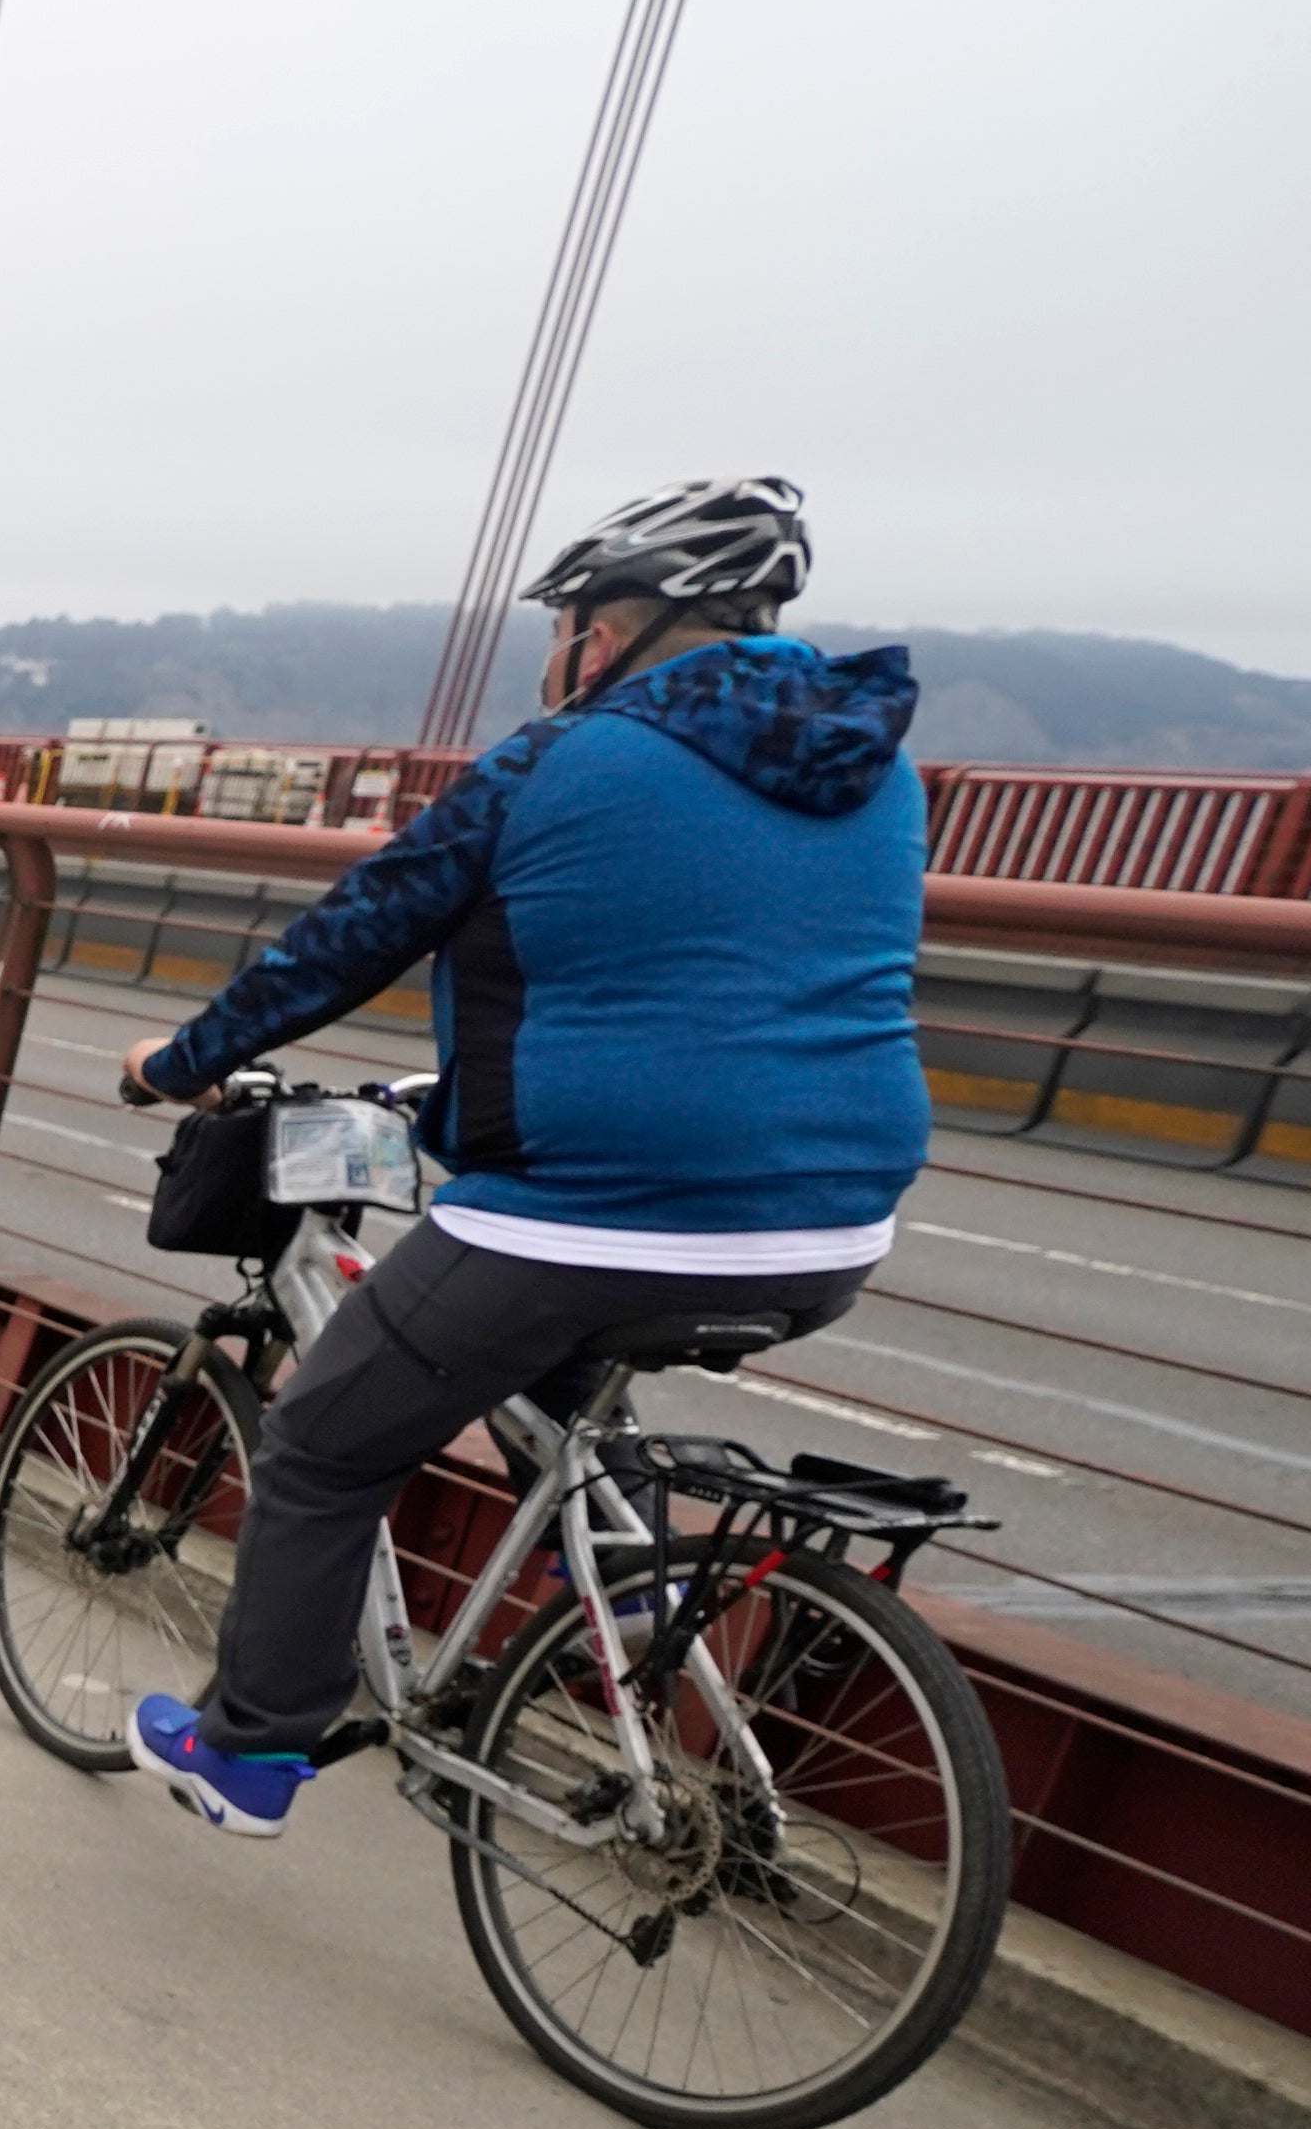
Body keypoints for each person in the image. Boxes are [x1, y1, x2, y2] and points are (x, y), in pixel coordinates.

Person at [111, 476, 927, 1834]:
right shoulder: (880, 764)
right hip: (839, 1223)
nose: (561, 649)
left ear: (614, 629)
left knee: (320, 1441)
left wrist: (177, 1063)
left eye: (571, 619)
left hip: (598, 1215)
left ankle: (248, 1757)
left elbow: (350, 938)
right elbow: (722, 963)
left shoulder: (562, 760)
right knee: (554, 1405)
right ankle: (636, 1641)